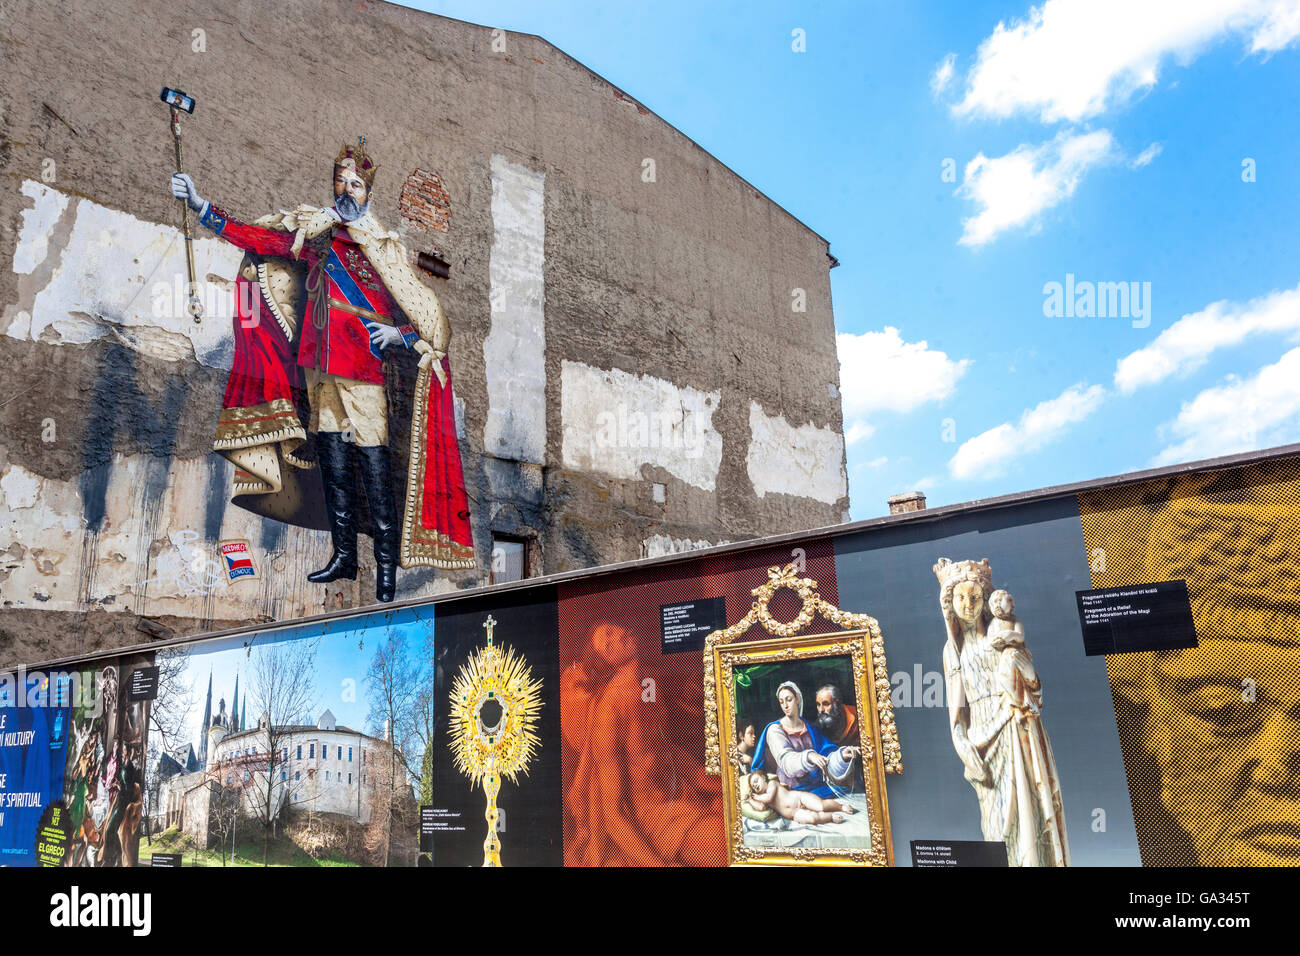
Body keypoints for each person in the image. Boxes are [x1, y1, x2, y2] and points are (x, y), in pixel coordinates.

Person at [169, 138, 474, 601]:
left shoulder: (384, 250)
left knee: (374, 473)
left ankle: (385, 568)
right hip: (321, 370)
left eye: (356, 184)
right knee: (335, 470)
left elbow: (430, 319)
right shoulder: (317, 237)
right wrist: (202, 207)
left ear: (368, 193)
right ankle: (344, 556)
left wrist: (402, 337)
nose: (347, 191)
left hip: (366, 376)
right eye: (341, 182)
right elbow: (262, 239)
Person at [934, 557, 1069, 867]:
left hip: (1013, 727)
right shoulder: (951, 650)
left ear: (985, 601)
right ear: (949, 604)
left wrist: (1017, 659)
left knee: (1027, 811)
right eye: (960, 598)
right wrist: (964, 746)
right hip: (982, 740)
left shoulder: (1000, 635)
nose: (967, 605)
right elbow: (956, 711)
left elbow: (1033, 684)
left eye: (974, 597)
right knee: (996, 828)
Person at [561, 621, 722, 866]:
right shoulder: (610, 711)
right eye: (608, 640)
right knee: (724, 841)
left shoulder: (648, 683)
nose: (619, 635)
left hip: (682, 797)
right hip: (653, 819)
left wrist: (716, 783)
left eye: (613, 630)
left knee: (749, 818)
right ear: (607, 661)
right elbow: (613, 817)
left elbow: (663, 751)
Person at [750, 681, 859, 797]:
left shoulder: (812, 728)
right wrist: (809, 756)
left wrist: (842, 756)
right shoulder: (775, 730)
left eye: (789, 699)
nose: (785, 706)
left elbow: (826, 757)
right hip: (789, 792)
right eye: (781, 702)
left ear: (797, 699)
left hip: (817, 789)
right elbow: (786, 762)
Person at [745, 771, 856, 825]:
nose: (755, 785)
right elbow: (761, 808)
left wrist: (756, 796)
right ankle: (830, 816)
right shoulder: (763, 799)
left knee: (821, 806)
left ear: (764, 778)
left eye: (756, 781)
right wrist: (750, 800)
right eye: (753, 786)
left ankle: (841, 807)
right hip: (794, 813)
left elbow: (769, 797)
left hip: (799, 798)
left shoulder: (772, 784)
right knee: (812, 819)